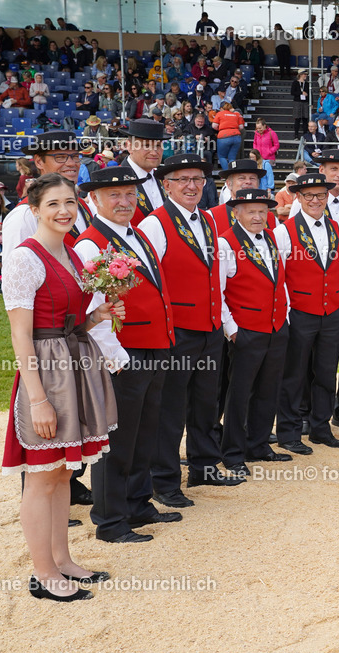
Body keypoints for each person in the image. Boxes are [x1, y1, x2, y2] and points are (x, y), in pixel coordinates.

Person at [1, 173, 120, 597]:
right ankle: (43, 573)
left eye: (69, 202)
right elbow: (21, 335)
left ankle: (63, 560)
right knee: (41, 475)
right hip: (47, 373)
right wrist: (37, 400)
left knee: (63, 474)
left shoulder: (71, 253)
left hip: (74, 363)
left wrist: (96, 316)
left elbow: (68, 319)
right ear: (34, 210)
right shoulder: (24, 258)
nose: (64, 211)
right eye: (53, 204)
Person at [75, 167, 181, 535]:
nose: (124, 202)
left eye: (129, 194)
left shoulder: (136, 235)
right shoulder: (90, 244)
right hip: (123, 353)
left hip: (154, 346)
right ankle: (110, 519)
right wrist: (115, 357)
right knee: (117, 439)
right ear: (95, 200)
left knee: (144, 433)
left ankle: (138, 504)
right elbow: (93, 308)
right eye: (114, 195)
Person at [139, 153, 244, 502]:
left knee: (205, 403)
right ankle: (164, 481)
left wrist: (223, 322)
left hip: (209, 326)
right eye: (182, 179)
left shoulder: (210, 221)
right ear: (166, 184)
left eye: (197, 179)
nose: (191, 186)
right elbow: (148, 281)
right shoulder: (155, 223)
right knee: (170, 409)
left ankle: (204, 468)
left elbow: (214, 275)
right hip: (178, 330)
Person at [273, 174, 339, 454]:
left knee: (326, 373)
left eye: (321, 195)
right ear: (298, 197)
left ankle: (321, 428)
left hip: (333, 311)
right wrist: (287, 311)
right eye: (309, 196)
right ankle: (289, 432)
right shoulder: (283, 231)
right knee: (293, 375)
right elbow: (278, 275)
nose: (316, 201)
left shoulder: (337, 229)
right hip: (299, 312)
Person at [217, 188, 291, 473]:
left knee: (268, 390)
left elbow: (278, 279)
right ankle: (233, 454)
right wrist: (232, 330)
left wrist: (285, 317)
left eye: (263, 211)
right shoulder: (225, 243)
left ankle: (258, 445)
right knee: (239, 394)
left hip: (276, 327)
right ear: (236, 213)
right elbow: (219, 292)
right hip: (246, 330)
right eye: (251, 211)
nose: (258, 216)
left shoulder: (272, 236)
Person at [114, 119, 169, 226]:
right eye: (146, 145)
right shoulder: (113, 180)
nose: (154, 153)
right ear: (129, 146)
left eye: (158, 146)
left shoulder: (164, 179)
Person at [213, 102, 245, 170]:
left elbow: (214, 126)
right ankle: (232, 173)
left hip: (224, 137)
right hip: (236, 136)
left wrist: (220, 129)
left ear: (222, 108)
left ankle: (227, 174)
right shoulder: (236, 114)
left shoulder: (219, 114)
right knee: (232, 157)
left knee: (222, 156)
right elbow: (241, 127)